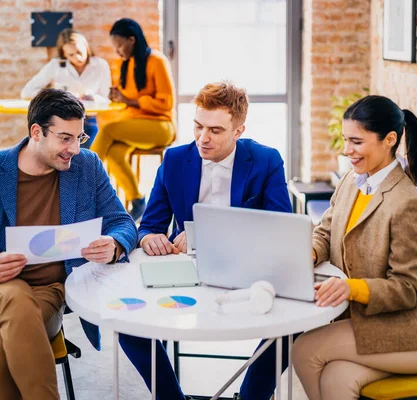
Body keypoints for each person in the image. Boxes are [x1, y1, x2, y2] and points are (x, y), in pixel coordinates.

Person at [0, 88, 137, 399]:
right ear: (36, 132)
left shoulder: (86, 167)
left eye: (80, 138)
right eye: (65, 138)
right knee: (13, 296)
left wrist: (114, 243)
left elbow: (123, 222)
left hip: (48, 295)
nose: (74, 149)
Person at [119, 81, 293, 400]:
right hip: (185, 273)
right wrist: (149, 237)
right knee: (127, 327)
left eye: (215, 130)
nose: (203, 138)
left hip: (246, 271)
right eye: (198, 126)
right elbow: (150, 223)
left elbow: (281, 227)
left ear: (238, 130)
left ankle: (252, 395)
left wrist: (209, 236)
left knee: (291, 326)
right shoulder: (174, 159)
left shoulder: (267, 160)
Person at [292, 95, 417, 400]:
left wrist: (351, 288)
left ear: (389, 140)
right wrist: (311, 252)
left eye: (356, 141)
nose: (346, 150)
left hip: (415, 334)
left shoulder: (406, 203)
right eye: (345, 140)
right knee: (337, 378)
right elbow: (325, 231)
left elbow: (407, 289)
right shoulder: (352, 180)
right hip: (374, 324)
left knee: (305, 349)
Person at [91, 18, 176, 221]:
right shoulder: (126, 65)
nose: (118, 51)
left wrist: (130, 100)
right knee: (114, 152)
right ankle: (138, 201)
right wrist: (119, 97)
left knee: (108, 130)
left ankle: (80, 178)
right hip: (136, 125)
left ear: (132, 40)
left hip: (161, 126)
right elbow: (131, 100)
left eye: (120, 45)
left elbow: (166, 103)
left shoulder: (157, 61)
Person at [21, 28, 111, 148]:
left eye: (79, 52)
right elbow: (27, 92)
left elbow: (108, 98)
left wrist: (93, 98)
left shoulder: (100, 65)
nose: (77, 58)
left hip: (88, 120)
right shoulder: (56, 65)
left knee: (86, 158)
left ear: (86, 46)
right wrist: (57, 96)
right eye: (71, 55)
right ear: (64, 54)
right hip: (59, 121)